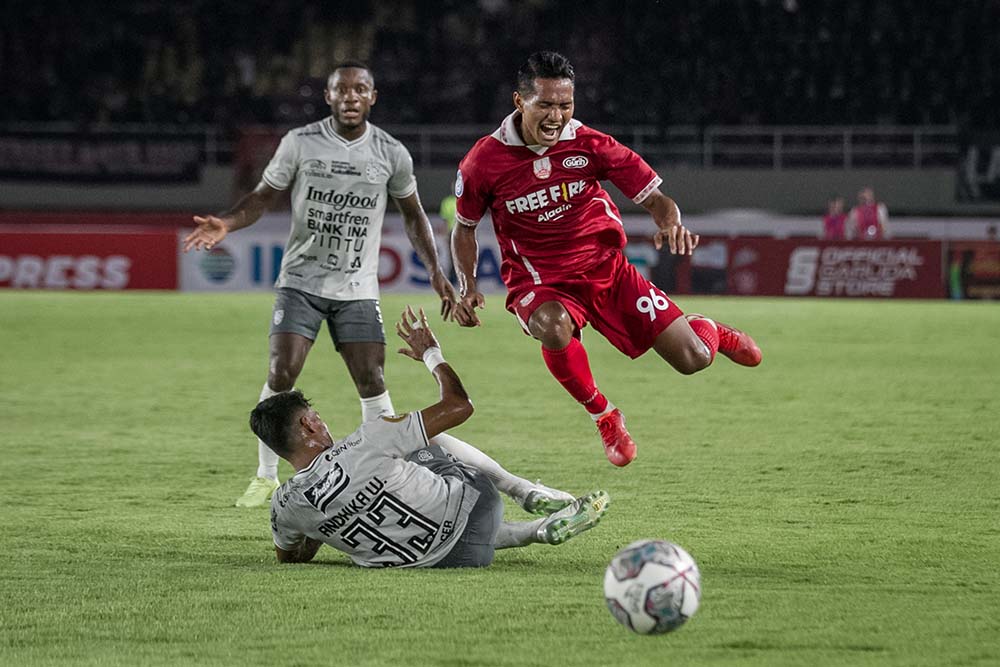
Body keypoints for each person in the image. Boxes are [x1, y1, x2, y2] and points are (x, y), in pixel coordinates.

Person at [451, 51, 761, 467]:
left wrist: (670, 223)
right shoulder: (483, 161)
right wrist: (468, 286)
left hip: (608, 271)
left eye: (565, 104)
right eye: (545, 104)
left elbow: (657, 199)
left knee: (693, 360)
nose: (556, 115)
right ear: (518, 101)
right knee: (553, 327)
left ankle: (708, 331)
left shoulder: (591, 145)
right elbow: (465, 227)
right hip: (540, 282)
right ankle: (605, 414)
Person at [184, 62, 469, 507]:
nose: (351, 96)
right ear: (329, 97)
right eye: (342, 89)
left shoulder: (391, 152)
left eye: (360, 89)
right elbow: (262, 196)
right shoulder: (301, 143)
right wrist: (228, 221)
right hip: (301, 280)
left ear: (372, 97)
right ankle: (265, 476)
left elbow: (413, 214)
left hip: (357, 287)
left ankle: (383, 472)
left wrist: (435, 270)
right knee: (282, 372)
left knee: (371, 378)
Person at [253, 307, 610, 568]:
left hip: (446, 559)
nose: (324, 424)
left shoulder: (285, 506)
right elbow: (459, 406)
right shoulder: (366, 439)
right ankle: (523, 490)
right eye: (318, 418)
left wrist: (323, 518)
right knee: (416, 440)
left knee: (422, 521)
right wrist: (430, 354)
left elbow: (291, 556)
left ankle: (534, 532)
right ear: (308, 426)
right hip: (479, 508)